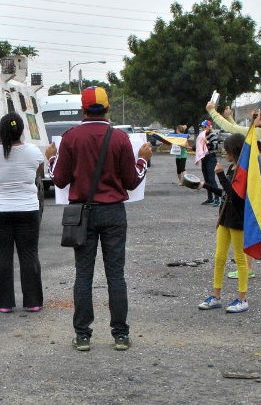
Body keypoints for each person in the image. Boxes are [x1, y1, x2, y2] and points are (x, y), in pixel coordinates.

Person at [45, 86, 152, 352]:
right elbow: (131, 180)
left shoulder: (70, 138)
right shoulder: (119, 138)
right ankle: (120, 334)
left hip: (82, 213)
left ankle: (83, 336)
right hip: (114, 212)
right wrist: (143, 161)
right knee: (116, 274)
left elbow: (59, 179)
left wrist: (51, 159)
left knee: (83, 274)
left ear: (82, 110)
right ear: (107, 109)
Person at [206, 102, 261, 278]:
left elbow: (234, 131)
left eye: (257, 116)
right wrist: (229, 116)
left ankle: (248, 269)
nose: (254, 118)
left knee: (247, 224)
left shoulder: (258, 133)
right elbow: (241, 134)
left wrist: (212, 111)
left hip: (257, 185)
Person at [0, 112, 45, 313]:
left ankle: (4, 303)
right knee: (29, 255)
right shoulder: (33, 151)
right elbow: (37, 172)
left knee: (3, 256)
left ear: (0, 131)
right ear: (22, 131)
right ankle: (33, 301)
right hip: (27, 210)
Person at [196, 134, 251, 313]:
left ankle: (242, 298)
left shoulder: (243, 171)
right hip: (224, 218)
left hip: (237, 220)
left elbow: (236, 198)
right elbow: (225, 195)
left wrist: (220, 176)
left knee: (240, 259)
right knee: (219, 257)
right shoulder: (231, 168)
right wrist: (205, 186)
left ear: (234, 151)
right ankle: (216, 295)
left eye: (227, 150)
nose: (224, 153)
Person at [195, 120, 221, 206]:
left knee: (212, 179)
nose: (203, 128)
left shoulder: (212, 135)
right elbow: (198, 147)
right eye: (202, 127)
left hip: (211, 158)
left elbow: (215, 146)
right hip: (204, 159)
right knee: (206, 179)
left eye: (204, 127)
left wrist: (207, 142)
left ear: (209, 127)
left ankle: (217, 198)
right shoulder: (201, 136)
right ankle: (210, 198)